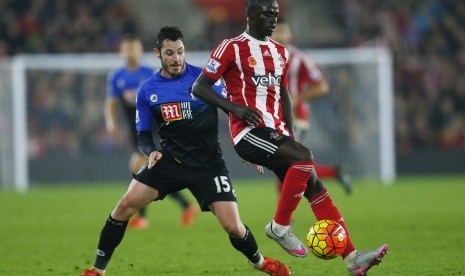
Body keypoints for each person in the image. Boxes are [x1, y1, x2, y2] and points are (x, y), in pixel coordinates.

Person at [192, 0, 388, 275]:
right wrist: (235, 109)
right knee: (305, 158)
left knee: (315, 186)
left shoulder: (281, 53)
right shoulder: (232, 47)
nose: (273, 19)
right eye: (266, 14)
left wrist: (290, 139)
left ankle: (353, 259)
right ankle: (279, 226)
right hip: (248, 133)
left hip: (275, 132)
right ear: (250, 15)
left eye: (275, 14)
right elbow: (199, 88)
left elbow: (283, 95)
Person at [82, 26, 290, 276]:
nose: (176, 58)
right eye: (169, 53)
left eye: (180, 52)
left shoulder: (204, 80)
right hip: (170, 160)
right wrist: (150, 151)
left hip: (209, 164)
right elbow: (143, 133)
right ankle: (97, 270)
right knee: (124, 206)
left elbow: (233, 110)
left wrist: (251, 148)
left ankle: (260, 262)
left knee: (233, 227)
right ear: (157, 53)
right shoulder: (148, 90)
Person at [105, 35, 198, 229]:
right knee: (149, 170)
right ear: (122, 52)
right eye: (128, 48)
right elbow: (111, 103)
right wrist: (111, 124)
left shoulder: (149, 73)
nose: (132, 52)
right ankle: (185, 206)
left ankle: (142, 217)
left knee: (140, 166)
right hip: (135, 129)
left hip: (153, 128)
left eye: (135, 48)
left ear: (140, 51)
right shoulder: (116, 76)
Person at [270, 17, 352, 195]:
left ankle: (285, 219)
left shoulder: (300, 59)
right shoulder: (261, 56)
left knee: (285, 164)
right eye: (277, 30)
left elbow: (322, 86)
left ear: (290, 34)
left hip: (295, 118)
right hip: (273, 119)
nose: (280, 35)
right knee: (285, 165)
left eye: (284, 30)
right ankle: (335, 172)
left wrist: (296, 98)